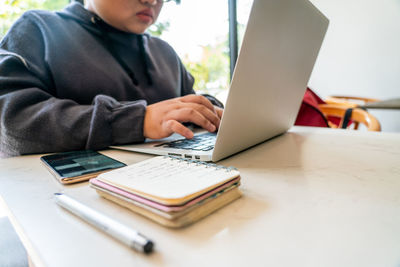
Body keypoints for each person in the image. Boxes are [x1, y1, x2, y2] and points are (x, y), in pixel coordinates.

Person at [0, 0, 223, 157]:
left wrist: (207, 110)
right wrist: (138, 121)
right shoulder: (39, 28)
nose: (152, 1)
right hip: (73, 200)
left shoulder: (164, 52)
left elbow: (184, 106)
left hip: (176, 185)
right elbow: (12, 120)